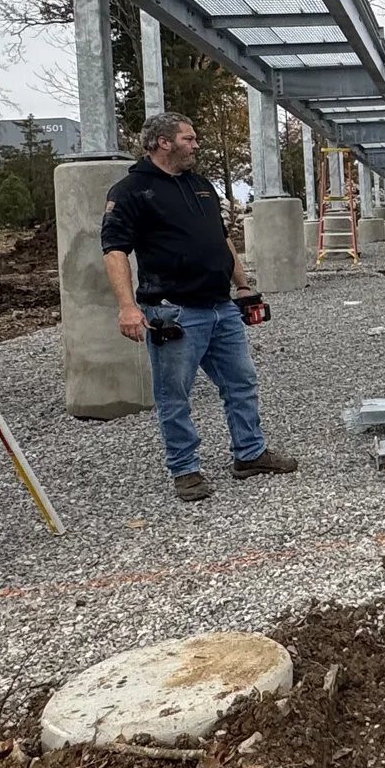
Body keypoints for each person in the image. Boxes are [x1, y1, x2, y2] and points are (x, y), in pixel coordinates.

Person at [100, 112, 297, 501]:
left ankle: (250, 452)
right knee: (175, 395)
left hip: (220, 308)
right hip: (172, 311)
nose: (195, 145)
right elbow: (115, 251)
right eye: (188, 139)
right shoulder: (131, 191)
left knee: (241, 383)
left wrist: (243, 286)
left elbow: (221, 240)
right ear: (163, 142)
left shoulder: (201, 186)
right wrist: (127, 307)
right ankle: (185, 470)